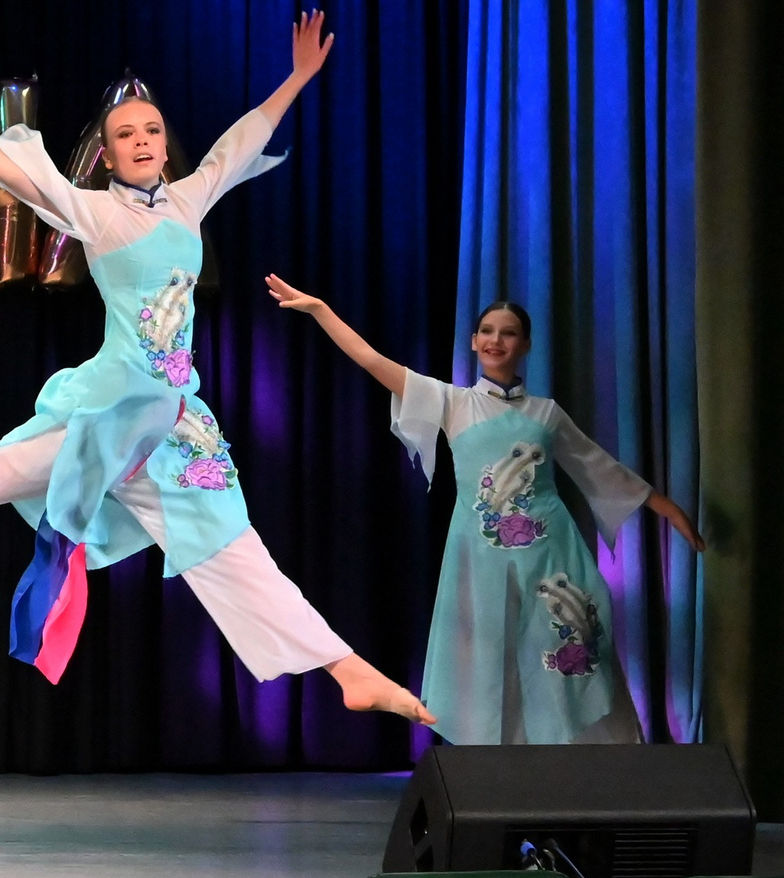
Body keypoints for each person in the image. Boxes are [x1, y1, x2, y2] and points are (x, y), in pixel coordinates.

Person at [0, 12, 429, 723]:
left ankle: (346, 667)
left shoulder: (189, 201)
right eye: (126, 135)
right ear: (108, 152)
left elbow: (239, 139)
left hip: (173, 421)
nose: (142, 142)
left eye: (151, 131)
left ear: (164, 144)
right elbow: (7, 168)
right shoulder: (98, 215)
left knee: (231, 543)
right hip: (107, 419)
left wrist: (299, 79)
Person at [265, 284, 702, 743]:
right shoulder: (453, 403)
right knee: (487, 659)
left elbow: (597, 466)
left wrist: (666, 508)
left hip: (552, 552)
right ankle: (496, 766)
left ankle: (577, 762)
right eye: (487, 331)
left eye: (509, 333)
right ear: (473, 341)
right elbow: (374, 362)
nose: (497, 340)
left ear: (526, 345)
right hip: (479, 556)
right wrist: (321, 310)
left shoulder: (546, 413)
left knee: (565, 643)